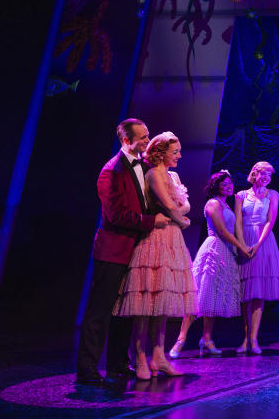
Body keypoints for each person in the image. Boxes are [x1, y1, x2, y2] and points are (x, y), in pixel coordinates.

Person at [76, 118, 171, 386]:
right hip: (113, 250)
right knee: (101, 310)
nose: (147, 140)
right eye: (142, 137)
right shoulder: (111, 171)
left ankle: (118, 364)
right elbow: (116, 215)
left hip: (137, 250)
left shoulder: (144, 167)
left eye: (148, 135)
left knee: (125, 310)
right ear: (126, 140)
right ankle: (87, 368)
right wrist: (152, 222)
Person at [113, 131, 196, 379]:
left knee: (164, 300)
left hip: (172, 239)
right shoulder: (152, 174)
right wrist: (182, 221)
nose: (179, 156)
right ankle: (139, 355)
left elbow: (186, 204)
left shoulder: (173, 175)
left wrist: (179, 216)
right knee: (146, 301)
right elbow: (170, 206)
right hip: (156, 238)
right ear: (161, 153)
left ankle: (158, 357)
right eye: (175, 152)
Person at [170, 170, 250, 358]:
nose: (229, 187)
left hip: (227, 251)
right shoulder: (213, 203)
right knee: (200, 295)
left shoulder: (226, 205)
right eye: (225, 184)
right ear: (216, 186)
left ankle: (207, 339)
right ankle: (180, 340)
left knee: (212, 296)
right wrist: (241, 247)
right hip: (215, 248)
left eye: (231, 184)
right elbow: (222, 231)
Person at [235, 161, 279, 355]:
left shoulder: (273, 195)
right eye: (263, 174)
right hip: (245, 238)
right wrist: (241, 244)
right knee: (245, 294)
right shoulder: (240, 195)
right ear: (254, 174)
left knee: (258, 293)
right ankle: (245, 338)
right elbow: (238, 222)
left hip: (264, 242)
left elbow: (270, 221)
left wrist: (257, 245)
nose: (266, 178)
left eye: (269, 175)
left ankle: (254, 338)